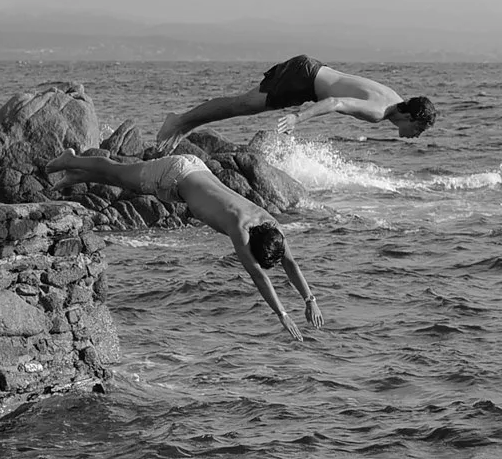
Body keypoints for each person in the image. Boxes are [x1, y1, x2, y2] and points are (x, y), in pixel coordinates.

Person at [46, 146, 321, 340]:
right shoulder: (239, 228)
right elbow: (259, 277)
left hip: (193, 170)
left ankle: (77, 175)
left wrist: (310, 300)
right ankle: (71, 159)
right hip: (174, 174)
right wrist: (282, 314)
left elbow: (290, 263)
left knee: (123, 179)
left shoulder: (269, 223)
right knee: (117, 172)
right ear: (252, 243)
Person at [155, 55, 436, 146]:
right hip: (303, 80)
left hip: (310, 72)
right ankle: (178, 122)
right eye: (419, 129)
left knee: (242, 106)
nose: (416, 135)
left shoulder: (395, 99)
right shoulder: (379, 111)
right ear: (410, 117)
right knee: (241, 105)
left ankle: (183, 126)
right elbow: (335, 102)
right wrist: (297, 118)